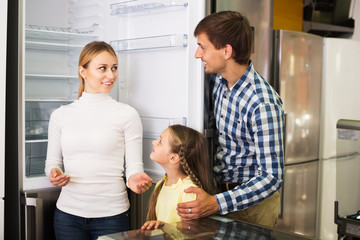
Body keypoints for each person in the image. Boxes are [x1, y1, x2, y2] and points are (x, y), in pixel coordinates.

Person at [176, 11, 285, 228]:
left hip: (252, 206)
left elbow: (272, 177)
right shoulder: (218, 81)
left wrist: (216, 203)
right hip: (217, 193)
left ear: (226, 51)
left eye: (203, 47)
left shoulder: (262, 103)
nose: (197, 54)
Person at [45, 41, 153, 239]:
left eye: (114, 68)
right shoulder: (61, 115)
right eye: (102, 68)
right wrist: (53, 174)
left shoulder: (127, 114)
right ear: (83, 71)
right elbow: (52, 163)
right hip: (67, 216)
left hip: (112, 216)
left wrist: (135, 179)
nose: (110, 75)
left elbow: (134, 167)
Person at [141, 124, 216, 230]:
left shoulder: (189, 192)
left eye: (160, 142)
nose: (154, 142)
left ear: (173, 158)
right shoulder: (161, 184)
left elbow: (191, 233)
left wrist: (166, 228)